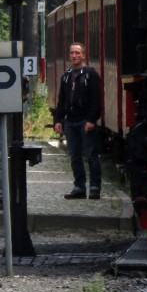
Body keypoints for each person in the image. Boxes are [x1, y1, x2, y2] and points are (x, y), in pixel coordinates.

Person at [53, 42, 102, 199]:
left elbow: (96, 99)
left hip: (85, 120)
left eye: (77, 53)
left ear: (83, 55)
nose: (74, 56)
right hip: (70, 121)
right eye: (72, 53)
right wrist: (58, 120)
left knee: (91, 155)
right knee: (74, 156)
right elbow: (62, 100)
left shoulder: (90, 74)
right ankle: (79, 187)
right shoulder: (66, 76)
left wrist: (92, 119)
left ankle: (95, 187)